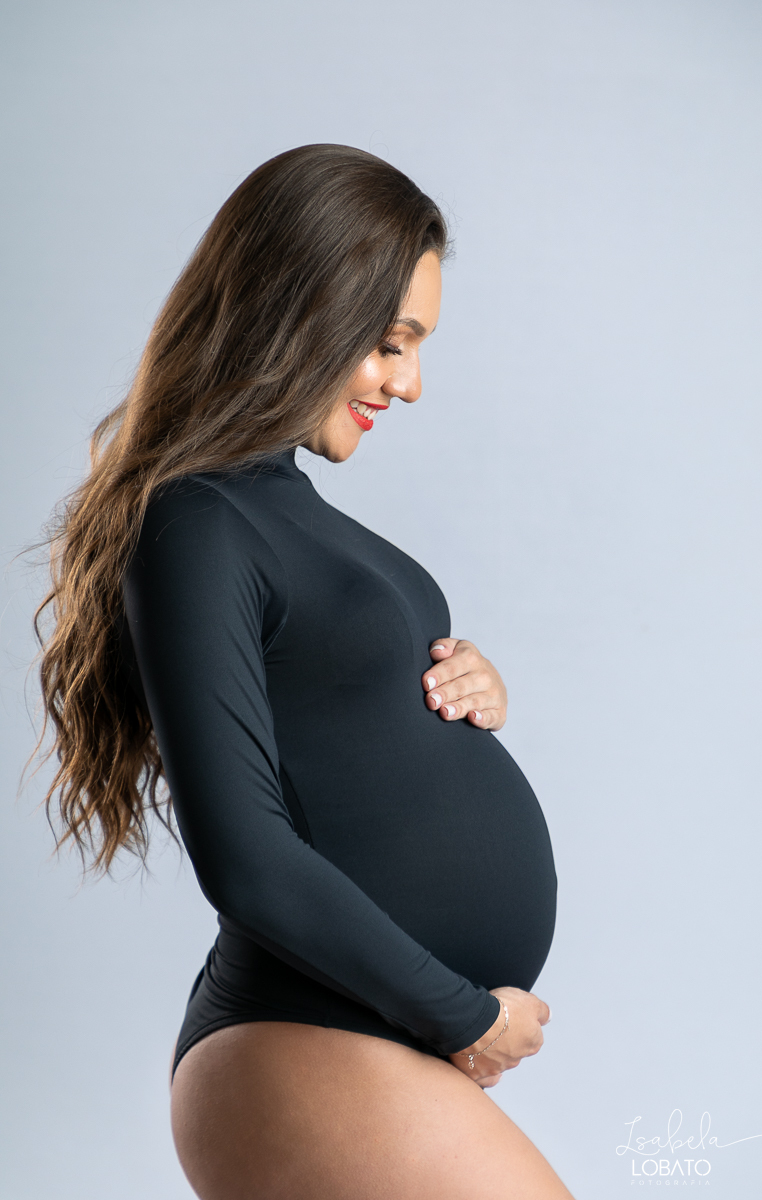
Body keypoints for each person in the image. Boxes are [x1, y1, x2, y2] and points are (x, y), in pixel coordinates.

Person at [35, 144, 573, 1199]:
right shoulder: (197, 520)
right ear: (300, 311)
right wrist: (464, 1014)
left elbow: (332, 716)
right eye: (386, 344)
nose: (408, 386)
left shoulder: (276, 510)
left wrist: (467, 692)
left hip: (368, 1037)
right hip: (301, 1038)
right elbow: (244, 856)